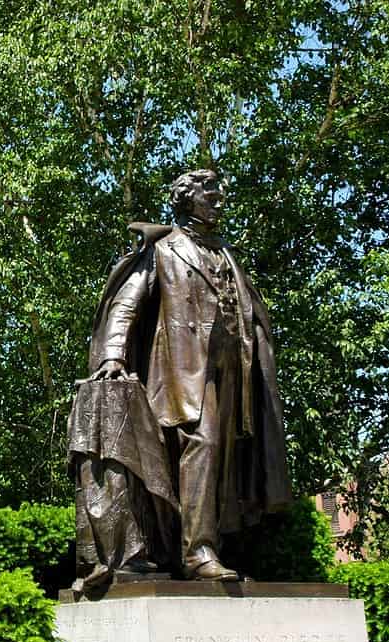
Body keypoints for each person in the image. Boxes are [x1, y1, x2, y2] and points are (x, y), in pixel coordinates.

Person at [85, 168, 291, 581]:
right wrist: (113, 355)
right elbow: (127, 303)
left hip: (235, 369)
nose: (218, 200)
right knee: (204, 443)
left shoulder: (227, 252)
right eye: (209, 193)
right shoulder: (164, 249)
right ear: (185, 199)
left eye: (219, 193)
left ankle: (201, 547)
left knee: (228, 462)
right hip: (183, 371)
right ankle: (198, 554)